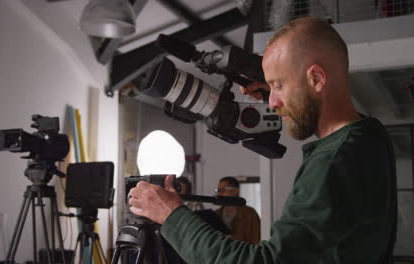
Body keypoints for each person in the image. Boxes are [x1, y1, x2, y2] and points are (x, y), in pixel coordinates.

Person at [128, 16, 397, 263]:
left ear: (316, 78)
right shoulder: (369, 135)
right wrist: (281, 82)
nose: (271, 102)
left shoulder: (335, 160)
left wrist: (172, 216)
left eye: (279, 86)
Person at [214, 176, 261, 244]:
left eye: (223, 190)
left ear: (235, 191)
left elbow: (256, 239)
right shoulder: (216, 213)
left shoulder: (250, 213)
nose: (219, 193)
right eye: (218, 190)